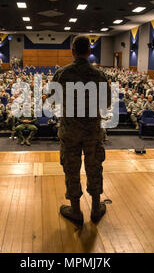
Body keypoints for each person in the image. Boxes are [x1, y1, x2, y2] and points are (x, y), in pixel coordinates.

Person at [52, 35, 110, 226]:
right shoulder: (100, 75)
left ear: (73, 51)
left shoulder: (61, 74)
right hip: (93, 131)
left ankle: (76, 211)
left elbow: (52, 101)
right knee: (94, 167)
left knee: (71, 168)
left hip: (70, 131)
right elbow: (107, 103)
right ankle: (95, 209)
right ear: (89, 51)